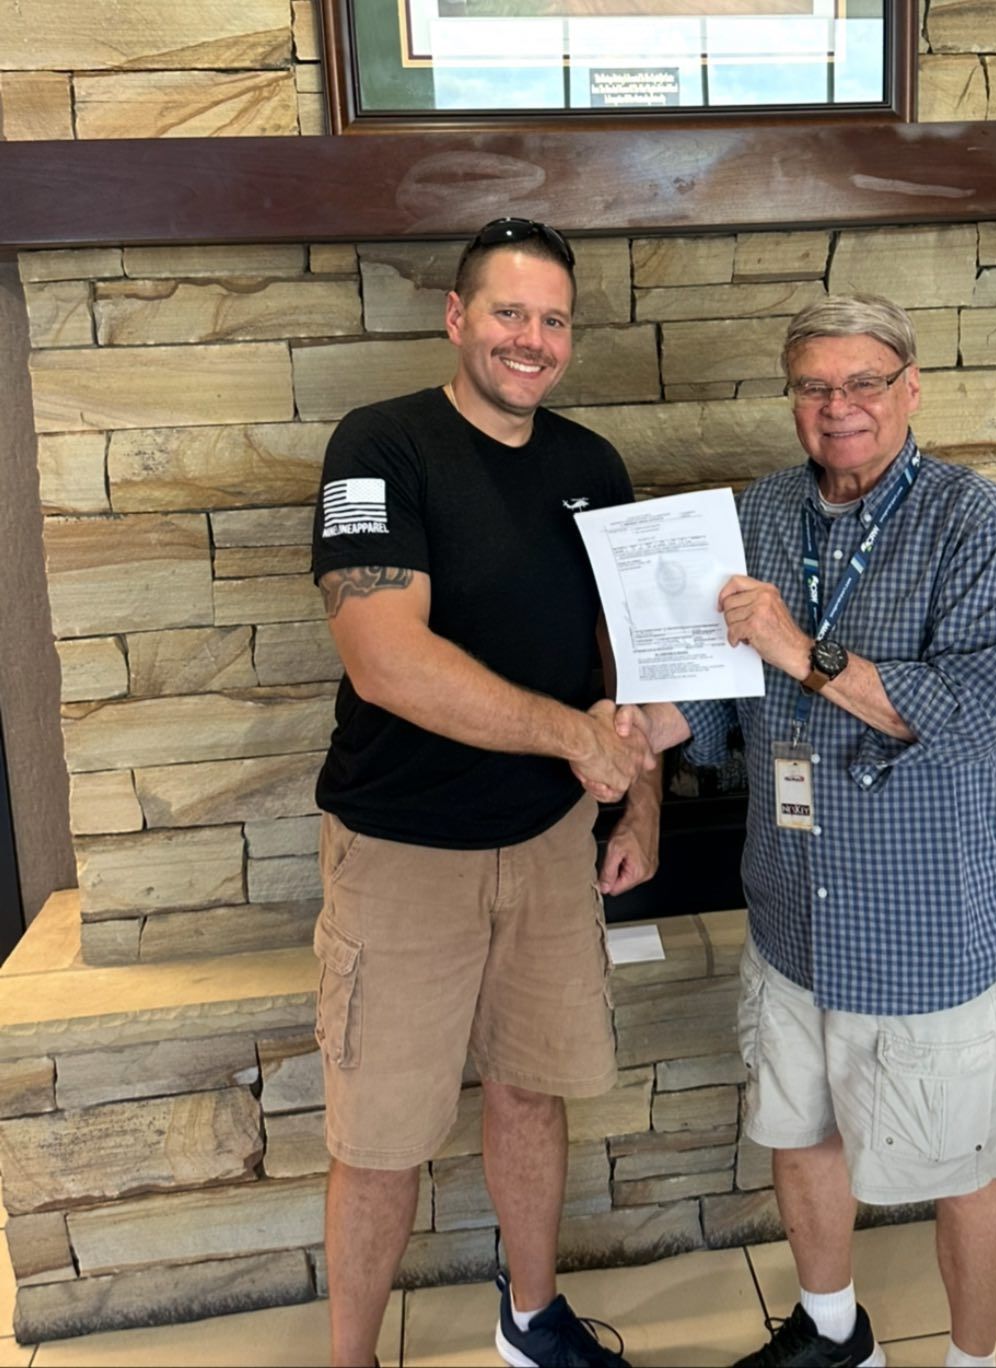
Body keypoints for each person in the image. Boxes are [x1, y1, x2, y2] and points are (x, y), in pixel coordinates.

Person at [629, 295, 996, 1368]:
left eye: (863, 383)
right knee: (798, 1135)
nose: (839, 406)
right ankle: (831, 1333)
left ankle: (970, 1364)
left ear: (910, 389)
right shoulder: (759, 512)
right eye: (815, 386)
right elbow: (719, 694)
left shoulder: (974, 519)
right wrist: (629, 727)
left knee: (966, 1168)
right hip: (791, 912)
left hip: (923, 926)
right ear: (793, 399)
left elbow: (963, 716)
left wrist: (800, 648)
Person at [309, 218, 658, 1368]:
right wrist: (571, 737)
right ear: (458, 318)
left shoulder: (590, 467)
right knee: (381, 1137)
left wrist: (639, 799)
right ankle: (351, 1357)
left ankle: (530, 1319)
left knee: (534, 1089)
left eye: (554, 319)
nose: (532, 339)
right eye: (509, 313)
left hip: (551, 844)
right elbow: (384, 658)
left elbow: (626, 656)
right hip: (403, 852)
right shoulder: (380, 448)